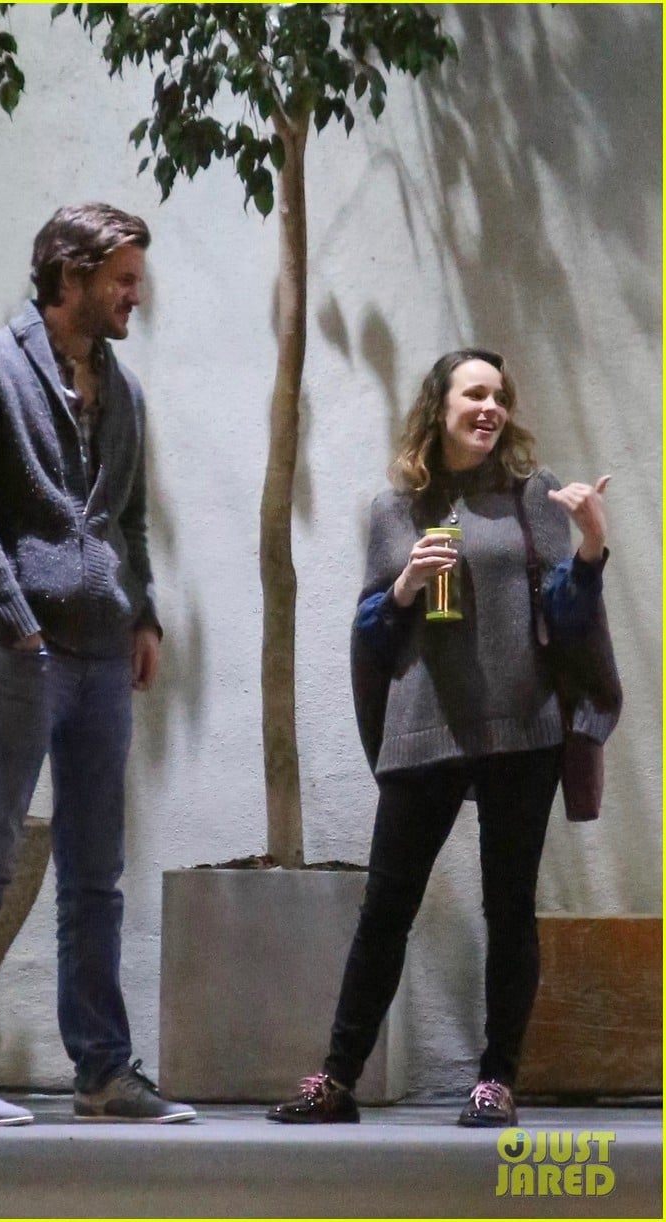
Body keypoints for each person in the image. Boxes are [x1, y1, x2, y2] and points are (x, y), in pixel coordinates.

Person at [267, 348, 619, 1128]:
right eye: (474, 393)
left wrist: (589, 548)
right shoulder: (395, 509)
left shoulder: (532, 497)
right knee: (385, 909)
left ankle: (495, 1081)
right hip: (422, 726)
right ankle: (337, 1079)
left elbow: (564, 616)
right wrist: (401, 587)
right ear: (440, 406)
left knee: (508, 908)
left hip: (521, 729)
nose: (490, 407)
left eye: (499, 395)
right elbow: (372, 636)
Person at [0, 203, 196, 1126]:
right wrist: (16, 619)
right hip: (17, 653)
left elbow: (129, 520)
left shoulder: (125, 392)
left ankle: (102, 1074)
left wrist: (142, 614)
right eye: (123, 279)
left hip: (103, 658)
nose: (135, 295)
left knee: (95, 874)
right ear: (71, 275)